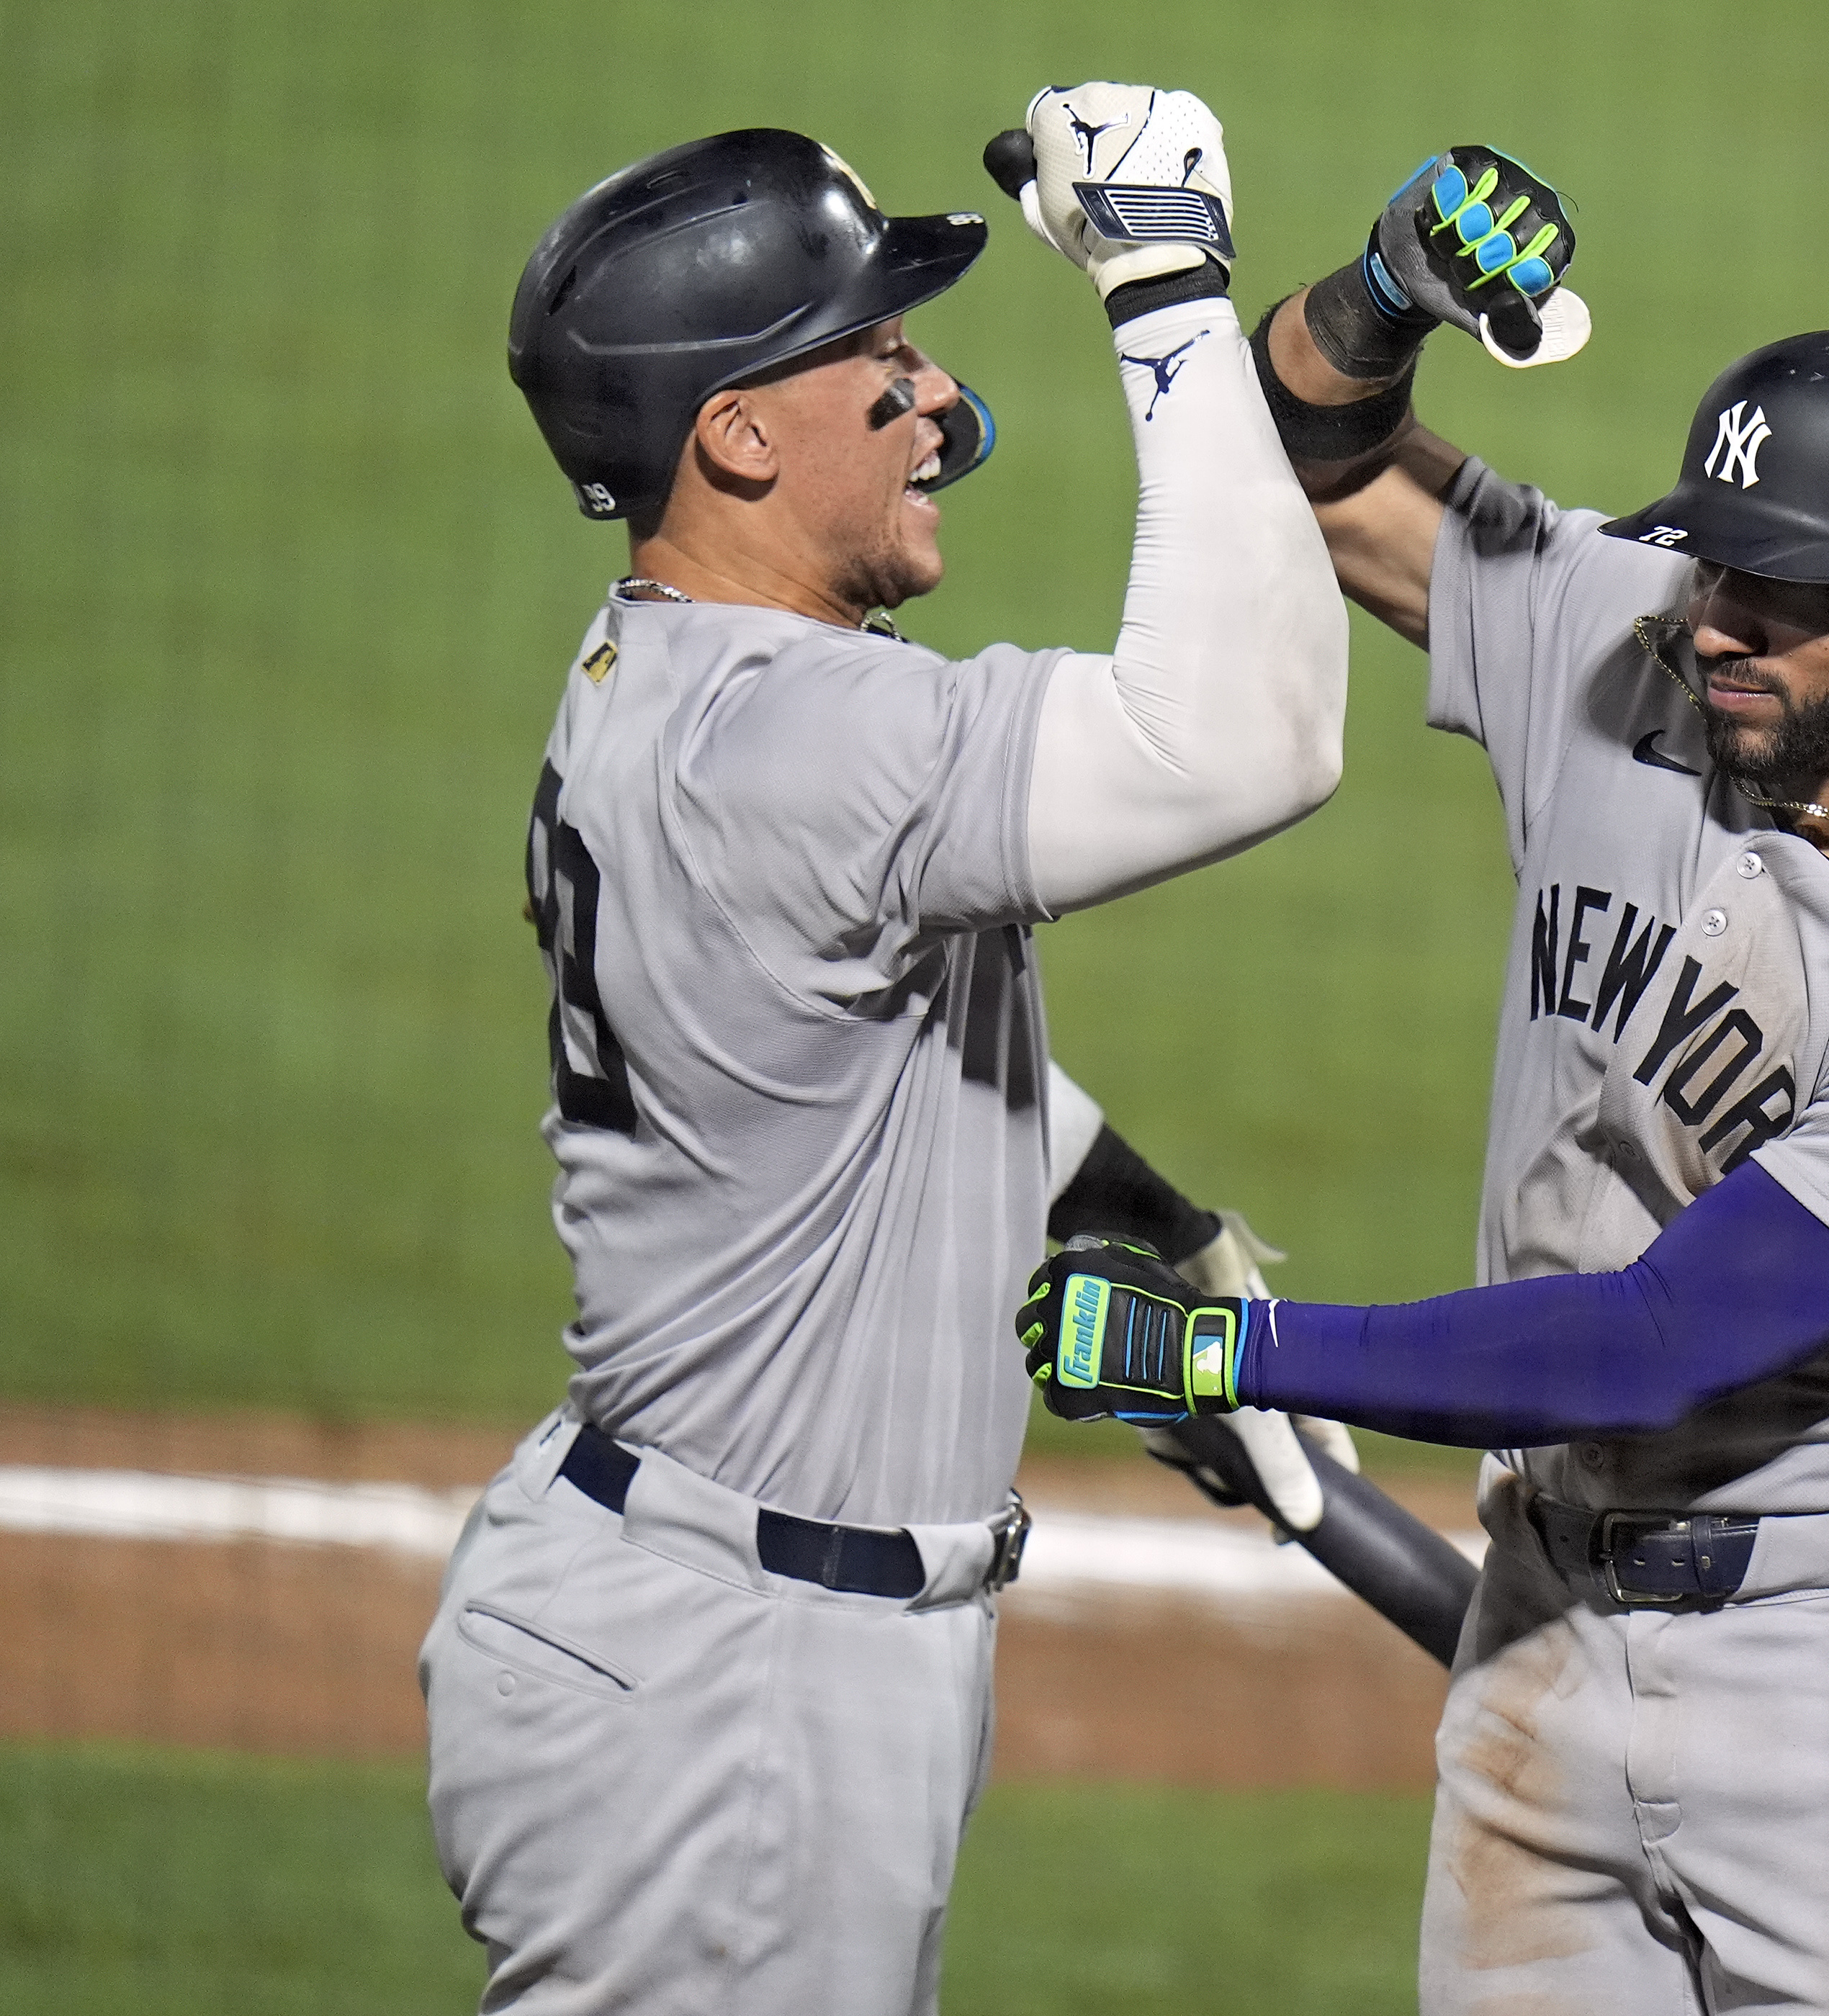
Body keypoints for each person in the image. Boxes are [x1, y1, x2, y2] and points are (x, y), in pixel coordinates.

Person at [1028, 148, 1829, 2012]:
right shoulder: (1637, 653)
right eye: (1716, 558)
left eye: (1783, 594)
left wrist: (1221, 1359)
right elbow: (1297, 478)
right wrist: (1381, 296)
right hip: (1544, 1629)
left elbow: (1645, 1345)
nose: (1715, 615)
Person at [421, 88, 1351, 2015]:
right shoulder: (800, 750)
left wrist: (1142, 1221)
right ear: (738, 437)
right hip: (730, 1687)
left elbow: (858, 1074)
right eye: (884, 358)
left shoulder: (663, 678)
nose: (937, 401)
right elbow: (1252, 738)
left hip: (720, 1640)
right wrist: (1167, 285)